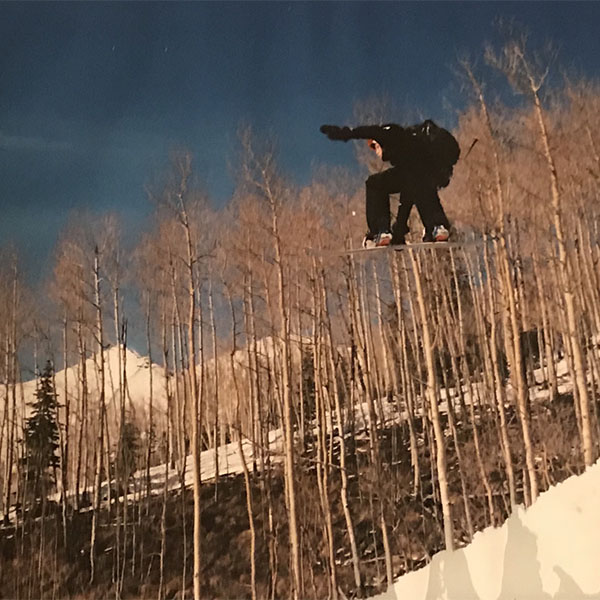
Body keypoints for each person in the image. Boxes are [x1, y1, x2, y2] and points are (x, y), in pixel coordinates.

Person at [320, 120, 460, 247]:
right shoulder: (410, 153)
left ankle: (380, 231)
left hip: (420, 173)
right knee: (421, 189)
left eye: (375, 147)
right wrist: (399, 231)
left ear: (378, 142)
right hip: (428, 174)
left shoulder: (392, 135)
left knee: (375, 184)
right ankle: (437, 227)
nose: (377, 152)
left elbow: (370, 131)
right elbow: (408, 194)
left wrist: (344, 134)